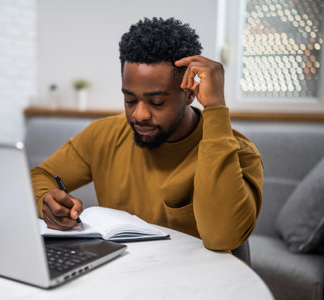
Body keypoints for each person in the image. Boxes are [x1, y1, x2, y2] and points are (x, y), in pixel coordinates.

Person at [31, 17, 263, 251]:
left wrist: (215, 108)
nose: (139, 114)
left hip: (198, 283)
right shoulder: (103, 135)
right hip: (120, 275)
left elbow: (222, 238)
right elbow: (39, 175)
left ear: (190, 94)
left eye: (157, 102)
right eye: (130, 99)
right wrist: (47, 201)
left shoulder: (237, 152)